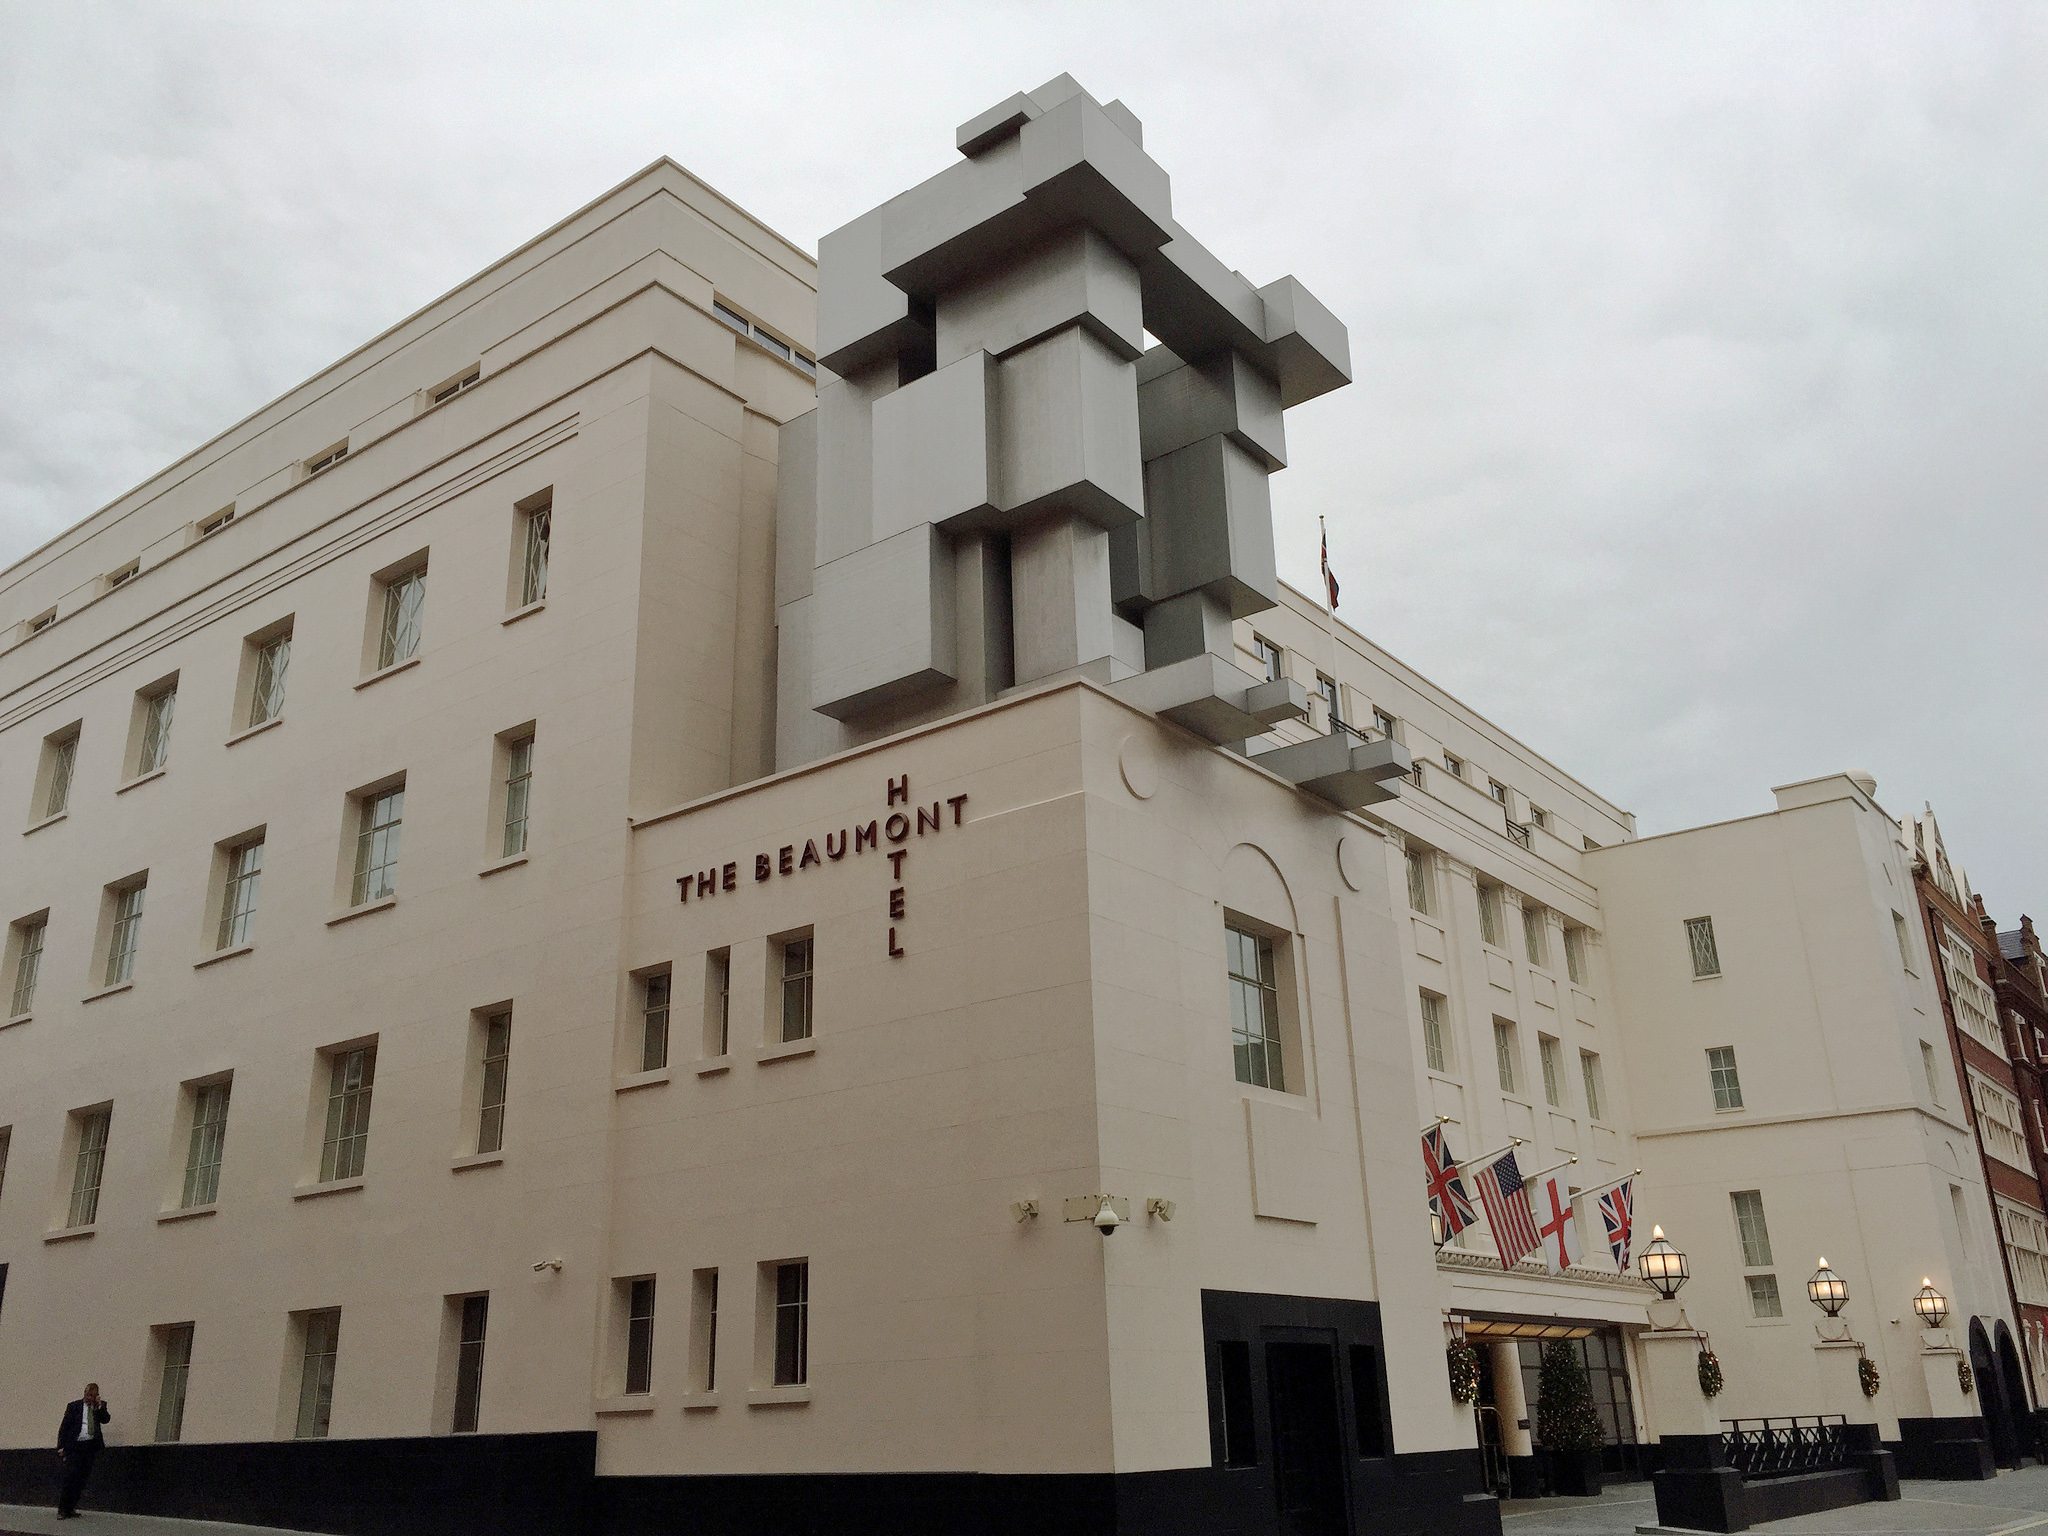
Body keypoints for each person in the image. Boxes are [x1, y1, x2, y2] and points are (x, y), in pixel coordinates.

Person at [54, 1383, 111, 1519]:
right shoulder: (74, 1407)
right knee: (70, 1478)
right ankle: (63, 1509)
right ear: (84, 1393)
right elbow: (64, 1427)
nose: (89, 1398)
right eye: (87, 1395)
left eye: (92, 1396)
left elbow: (106, 1420)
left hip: (90, 1447)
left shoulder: (99, 1406)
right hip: (75, 1447)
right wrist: (61, 1446)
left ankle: (71, 1508)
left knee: (82, 1479)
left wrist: (99, 1407)